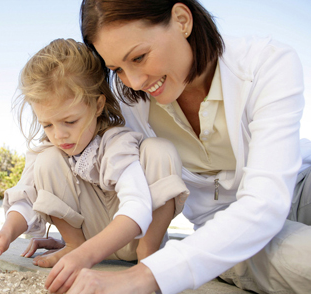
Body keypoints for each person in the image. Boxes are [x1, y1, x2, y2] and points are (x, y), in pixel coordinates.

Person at [57, 0, 311, 293]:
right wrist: (74, 236)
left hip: (298, 188)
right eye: (117, 69)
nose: (135, 81)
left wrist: (142, 277)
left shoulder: (267, 62)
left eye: (139, 57)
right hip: (228, 227)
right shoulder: (128, 104)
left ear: (181, 20)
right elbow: (83, 154)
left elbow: (267, 201)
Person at [0, 38, 189, 294]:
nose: (59, 135)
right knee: (47, 160)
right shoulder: (50, 150)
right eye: (48, 125)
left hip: (136, 236)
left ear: (97, 105)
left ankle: (147, 258)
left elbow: (137, 207)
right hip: (86, 241)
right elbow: (25, 197)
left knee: (160, 150)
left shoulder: (116, 141)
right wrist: (6, 233)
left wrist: (87, 256)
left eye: (70, 121)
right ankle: (72, 245)